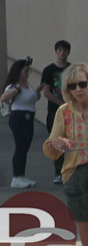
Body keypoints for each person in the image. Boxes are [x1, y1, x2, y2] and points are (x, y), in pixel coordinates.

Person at [43, 61, 88, 246]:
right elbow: (50, 149)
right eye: (72, 86)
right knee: (86, 238)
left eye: (82, 84)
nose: (78, 89)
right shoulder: (64, 111)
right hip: (76, 177)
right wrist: (57, 143)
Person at [0, 57, 41, 187]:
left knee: (25, 147)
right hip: (19, 118)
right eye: (25, 71)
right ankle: (16, 177)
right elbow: (3, 98)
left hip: (29, 117)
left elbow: (33, 98)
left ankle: (21, 176)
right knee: (20, 147)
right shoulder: (13, 86)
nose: (28, 73)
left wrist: (38, 91)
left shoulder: (28, 85)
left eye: (29, 71)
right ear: (19, 72)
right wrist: (16, 90)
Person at [42, 40, 72, 185]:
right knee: (56, 140)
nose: (62, 53)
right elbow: (46, 92)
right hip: (55, 111)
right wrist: (61, 104)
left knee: (73, 140)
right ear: (56, 52)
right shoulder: (49, 70)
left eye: (65, 50)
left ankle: (71, 169)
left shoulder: (72, 69)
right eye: (59, 50)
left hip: (72, 111)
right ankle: (58, 172)